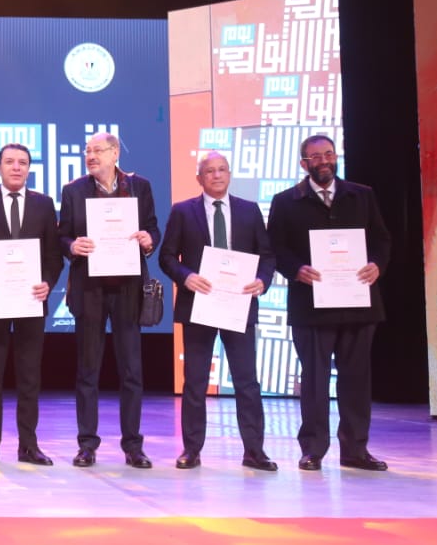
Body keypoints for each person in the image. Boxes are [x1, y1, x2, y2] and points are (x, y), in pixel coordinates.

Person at [267, 134, 392, 471]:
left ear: (336, 157)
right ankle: (313, 449)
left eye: (328, 154)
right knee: (314, 381)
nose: (324, 161)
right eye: (316, 157)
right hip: (310, 305)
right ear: (303, 163)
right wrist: (296, 269)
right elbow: (275, 248)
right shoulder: (286, 201)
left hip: (357, 303)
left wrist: (377, 265)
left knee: (356, 380)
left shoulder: (361, 195)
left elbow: (381, 240)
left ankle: (355, 450)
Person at [159, 151, 277, 471]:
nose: (216, 175)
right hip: (199, 306)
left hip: (239, 305)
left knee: (247, 382)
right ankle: (191, 450)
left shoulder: (249, 210)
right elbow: (166, 256)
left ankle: (255, 451)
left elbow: (267, 255)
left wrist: (262, 280)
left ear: (229, 174)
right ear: (199, 178)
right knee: (195, 382)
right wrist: (186, 276)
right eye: (209, 171)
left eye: (222, 169)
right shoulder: (183, 211)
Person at [58, 131, 160, 469]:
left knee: (131, 369)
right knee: (88, 369)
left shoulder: (139, 186)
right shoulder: (74, 190)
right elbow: (62, 235)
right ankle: (87, 445)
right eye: (87, 150)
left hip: (128, 287)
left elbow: (153, 229)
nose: (90, 156)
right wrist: (72, 246)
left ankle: (133, 445)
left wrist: (148, 240)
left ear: (115, 153)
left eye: (97, 150)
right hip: (89, 288)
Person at [0, 143, 64, 465]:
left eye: (22, 162)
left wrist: (48, 281)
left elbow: (54, 256)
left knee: (29, 377)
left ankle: (28, 446)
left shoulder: (44, 205)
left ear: (29, 168)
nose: (16, 167)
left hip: (31, 302)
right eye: (9, 162)